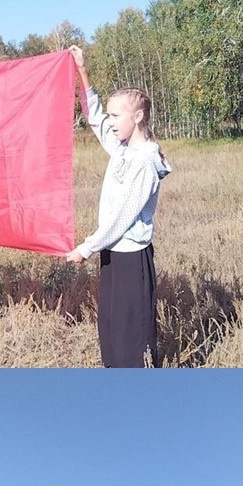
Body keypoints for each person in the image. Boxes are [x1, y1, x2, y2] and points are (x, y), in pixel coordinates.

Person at [65, 45, 171, 368]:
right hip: (112, 256)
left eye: (116, 115)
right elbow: (94, 118)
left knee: (132, 342)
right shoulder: (122, 149)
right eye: (110, 114)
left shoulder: (146, 161)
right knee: (110, 333)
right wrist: (81, 72)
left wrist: (86, 247)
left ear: (137, 116)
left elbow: (121, 219)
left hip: (131, 261)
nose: (109, 122)